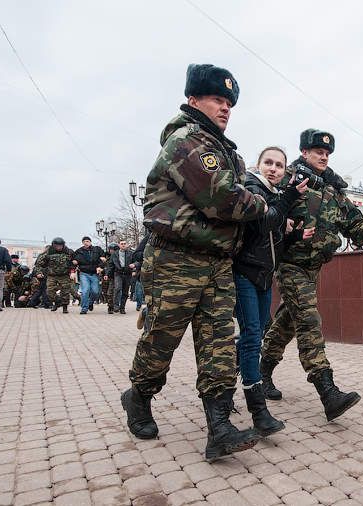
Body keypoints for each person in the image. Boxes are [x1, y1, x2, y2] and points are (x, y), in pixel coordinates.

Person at [122, 63, 269, 461]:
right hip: (176, 261)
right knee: (161, 340)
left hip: (217, 261)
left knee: (219, 344)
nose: (225, 108)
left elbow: (228, 201)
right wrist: (261, 202)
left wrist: (243, 204)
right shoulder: (188, 143)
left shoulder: (222, 150)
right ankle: (138, 397)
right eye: (217, 100)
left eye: (229, 103)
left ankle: (219, 426)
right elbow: (225, 200)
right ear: (193, 100)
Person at [260, 128, 363, 420]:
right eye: (318, 151)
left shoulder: (333, 189)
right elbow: (270, 211)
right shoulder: (290, 179)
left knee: (286, 324)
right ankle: (327, 390)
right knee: (309, 321)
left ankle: (262, 372)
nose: (323, 156)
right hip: (291, 265)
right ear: (304, 152)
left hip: (313, 269)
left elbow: (353, 223)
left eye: (327, 153)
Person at [233, 146, 311, 437]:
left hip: (264, 276)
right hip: (245, 273)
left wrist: (292, 235)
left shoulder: (276, 195)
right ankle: (258, 411)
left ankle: (228, 376)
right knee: (253, 334)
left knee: (258, 331)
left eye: (279, 165)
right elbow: (262, 223)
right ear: (259, 164)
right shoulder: (252, 187)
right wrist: (289, 199)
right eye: (269, 162)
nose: (274, 168)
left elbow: (272, 241)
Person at [35, 237, 74, 313]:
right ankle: (57, 302)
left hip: (64, 275)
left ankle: (65, 307)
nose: (59, 247)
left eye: (60, 246)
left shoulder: (69, 252)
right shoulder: (48, 252)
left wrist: (72, 271)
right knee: (49, 292)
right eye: (57, 246)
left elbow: (74, 262)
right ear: (53, 245)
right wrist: (39, 272)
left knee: (65, 291)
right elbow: (38, 264)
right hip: (52, 275)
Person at [73, 236, 105, 314]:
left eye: (87, 241)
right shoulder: (79, 251)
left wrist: (100, 266)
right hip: (84, 273)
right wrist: (74, 264)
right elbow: (73, 260)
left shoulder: (97, 249)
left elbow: (103, 259)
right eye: (84, 241)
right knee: (85, 290)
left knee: (95, 291)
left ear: (90, 242)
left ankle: (90, 302)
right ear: (82, 243)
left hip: (94, 273)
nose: (86, 243)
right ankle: (84, 308)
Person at [107, 239, 134, 314]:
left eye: (125, 243)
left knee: (125, 292)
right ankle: (116, 305)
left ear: (127, 245)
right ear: (119, 245)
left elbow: (136, 262)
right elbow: (110, 265)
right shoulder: (114, 254)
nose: (123, 245)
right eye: (121, 244)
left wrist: (134, 267)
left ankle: (122, 308)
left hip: (127, 273)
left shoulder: (131, 253)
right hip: (118, 273)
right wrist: (107, 274)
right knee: (118, 288)